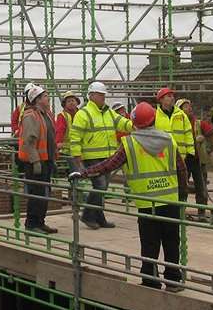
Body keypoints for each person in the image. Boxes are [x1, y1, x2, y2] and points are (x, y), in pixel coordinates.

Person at [69, 102, 187, 291]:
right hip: (169, 200)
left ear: (135, 123)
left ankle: (150, 280)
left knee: (150, 244)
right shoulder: (169, 140)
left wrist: (83, 173)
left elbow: (108, 165)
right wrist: (183, 193)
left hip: (147, 203)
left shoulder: (130, 144)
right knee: (172, 241)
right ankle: (173, 280)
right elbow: (181, 168)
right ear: (154, 119)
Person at [67, 81, 134, 230]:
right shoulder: (84, 113)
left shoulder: (108, 112)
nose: (104, 97)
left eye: (104, 94)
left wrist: (133, 125)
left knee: (103, 187)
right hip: (92, 157)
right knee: (100, 185)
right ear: (91, 96)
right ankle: (88, 215)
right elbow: (75, 134)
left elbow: (121, 122)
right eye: (101, 94)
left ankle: (99, 217)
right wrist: (76, 153)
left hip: (107, 156)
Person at [17, 84, 58, 234]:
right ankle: (32, 224)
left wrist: (52, 159)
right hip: (36, 162)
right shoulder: (31, 116)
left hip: (45, 160)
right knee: (37, 194)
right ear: (38, 100)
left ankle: (40, 222)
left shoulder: (44, 114)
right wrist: (35, 161)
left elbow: (49, 139)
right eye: (45, 96)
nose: (48, 98)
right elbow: (29, 141)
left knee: (44, 193)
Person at [154, 88, 198, 204]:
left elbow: (188, 133)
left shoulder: (181, 115)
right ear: (161, 100)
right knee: (166, 187)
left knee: (182, 187)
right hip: (162, 159)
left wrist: (190, 152)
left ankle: (181, 211)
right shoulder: (155, 116)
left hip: (181, 158)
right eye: (168, 96)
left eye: (172, 96)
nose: (172, 98)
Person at [175, 97, 212, 220]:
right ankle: (181, 211)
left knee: (201, 187)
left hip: (197, 160)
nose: (189, 108)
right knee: (182, 187)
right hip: (183, 160)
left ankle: (201, 213)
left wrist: (204, 135)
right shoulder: (177, 125)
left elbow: (211, 130)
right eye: (185, 107)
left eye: (189, 106)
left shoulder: (198, 123)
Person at [54, 90, 81, 172]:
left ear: (77, 102)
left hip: (81, 147)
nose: (71, 103)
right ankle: (77, 183)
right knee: (76, 169)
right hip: (68, 149)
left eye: (72, 100)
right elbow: (60, 130)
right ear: (65, 104)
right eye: (68, 101)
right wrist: (59, 142)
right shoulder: (62, 116)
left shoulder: (81, 114)